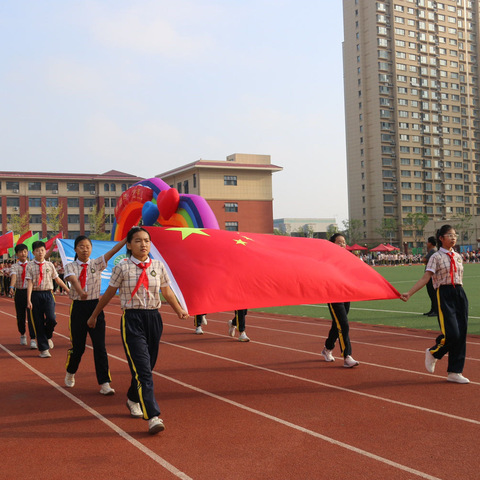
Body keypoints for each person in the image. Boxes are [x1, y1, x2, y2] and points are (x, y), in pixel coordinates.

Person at [86, 226, 189, 435]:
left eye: (147, 241)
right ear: (129, 245)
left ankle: (133, 398)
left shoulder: (158, 266)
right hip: (132, 320)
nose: (144, 245)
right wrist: (94, 314)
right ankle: (153, 416)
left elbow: (166, 290)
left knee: (147, 366)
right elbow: (109, 294)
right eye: (138, 241)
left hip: (153, 318)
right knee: (142, 369)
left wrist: (179, 310)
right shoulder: (121, 267)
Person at [400, 225, 469, 384]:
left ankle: (455, 371)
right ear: (441, 238)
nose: (453, 237)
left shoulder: (458, 256)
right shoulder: (436, 257)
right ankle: (433, 352)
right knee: (452, 333)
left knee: (461, 333)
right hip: (444, 294)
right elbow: (426, 277)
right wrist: (409, 293)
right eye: (449, 235)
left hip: (459, 293)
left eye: (455, 234)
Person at [63, 235, 127, 394]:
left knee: (100, 347)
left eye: (88, 247)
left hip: (95, 306)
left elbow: (113, 251)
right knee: (78, 348)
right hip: (78, 307)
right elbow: (72, 279)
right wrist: (80, 291)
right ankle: (71, 371)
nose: (85, 250)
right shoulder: (70, 266)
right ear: (76, 249)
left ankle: (104, 382)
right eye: (81, 247)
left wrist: (127, 238)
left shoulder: (96, 263)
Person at [26, 241, 70, 358]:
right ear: (33, 252)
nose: (40, 253)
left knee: (51, 318)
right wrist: (29, 299)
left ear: (45, 251)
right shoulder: (30, 265)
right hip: (35, 295)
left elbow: (57, 280)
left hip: (48, 295)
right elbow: (29, 283)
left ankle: (48, 335)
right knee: (38, 322)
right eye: (37, 251)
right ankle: (44, 349)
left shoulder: (50, 265)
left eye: (42, 250)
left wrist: (68, 290)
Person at [321, 233, 359, 368]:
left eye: (343, 242)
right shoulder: (327, 259)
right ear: (332, 244)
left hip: (346, 294)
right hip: (333, 295)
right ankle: (347, 356)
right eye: (339, 242)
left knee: (337, 325)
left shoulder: (349, 258)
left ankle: (327, 348)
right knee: (343, 324)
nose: (342, 244)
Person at [9, 244, 37, 349]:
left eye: (25, 251)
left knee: (31, 316)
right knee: (20, 317)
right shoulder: (14, 266)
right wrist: (11, 286)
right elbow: (14, 276)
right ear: (17, 254)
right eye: (21, 252)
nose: (23, 253)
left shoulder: (31, 264)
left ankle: (33, 338)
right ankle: (22, 334)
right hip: (20, 293)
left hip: (30, 293)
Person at [422, 236, 438, 317]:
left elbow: (424, 260)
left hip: (431, 275)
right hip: (431, 274)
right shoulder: (433, 251)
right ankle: (433, 309)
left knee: (432, 293)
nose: (426, 243)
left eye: (427, 242)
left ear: (431, 243)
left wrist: (425, 259)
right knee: (431, 293)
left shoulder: (433, 251)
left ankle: (435, 310)